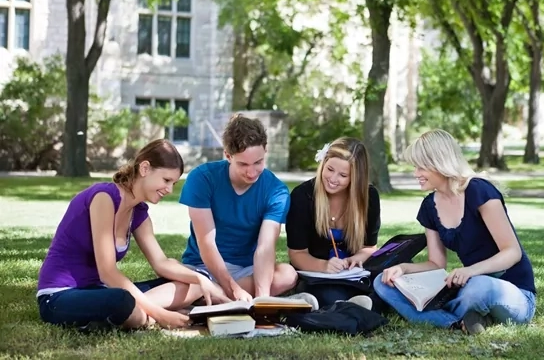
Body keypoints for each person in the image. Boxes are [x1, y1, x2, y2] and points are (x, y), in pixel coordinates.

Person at [36, 139, 229, 332]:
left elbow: (161, 263)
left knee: (192, 283)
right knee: (123, 301)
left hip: (99, 291)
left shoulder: (139, 213)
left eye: (174, 183)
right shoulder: (104, 197)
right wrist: (160, 314)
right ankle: (144, 315)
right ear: (145, 168)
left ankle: (130, 316)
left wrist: (200, 279)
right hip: (60, 295)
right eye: (166, 180)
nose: (170, 190)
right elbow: (108, 272)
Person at [373, 129, 536, 334]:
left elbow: (512, 252)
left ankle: (447, 315)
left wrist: (469, 271)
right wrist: (403, 269)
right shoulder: (429, 207)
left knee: (478, 288)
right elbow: (436, 263)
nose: (416, 174)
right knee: (383, 282)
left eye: (421, 167)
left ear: (440, 163)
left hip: (513, 293)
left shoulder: (479, 190)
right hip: (468, 286)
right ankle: (460, 322)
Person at [180, 114, 309, 306]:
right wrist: (234, 288)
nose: (251, 172)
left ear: (265, 150)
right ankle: (212, 293)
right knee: (192, 284)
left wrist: (262, 301)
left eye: (258, 162)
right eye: (243, 164)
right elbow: (207, 244)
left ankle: (208, 298)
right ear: (228, 155)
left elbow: (265, 248)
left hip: (246, 270)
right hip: (203, 265)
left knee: (287, 275)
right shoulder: (202, 178)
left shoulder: (276, 191)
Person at [286, 138, 381, 310]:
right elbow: (297, 253)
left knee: (391, 275)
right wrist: (324, 266)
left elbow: (369, 247)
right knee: (329, 294)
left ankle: (351, 303)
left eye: (343, 175)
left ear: (356, 178)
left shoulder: (369, 197)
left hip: (353, 275)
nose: (332, 179)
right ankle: (350, 305)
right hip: (317, 274)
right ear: (323, 163)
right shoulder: (303, 196)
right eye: (329, 169)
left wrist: (356, 259)